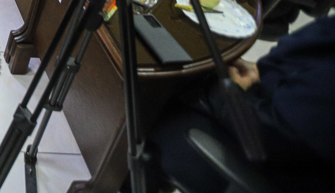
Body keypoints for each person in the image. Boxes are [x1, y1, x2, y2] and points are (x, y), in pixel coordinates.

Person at [143, 15, 335, 193]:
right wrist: (259, 71)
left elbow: (271, 136)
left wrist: (230, 91)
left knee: (149, 103)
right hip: (265, 107)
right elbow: (295, 54)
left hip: (268, 155)